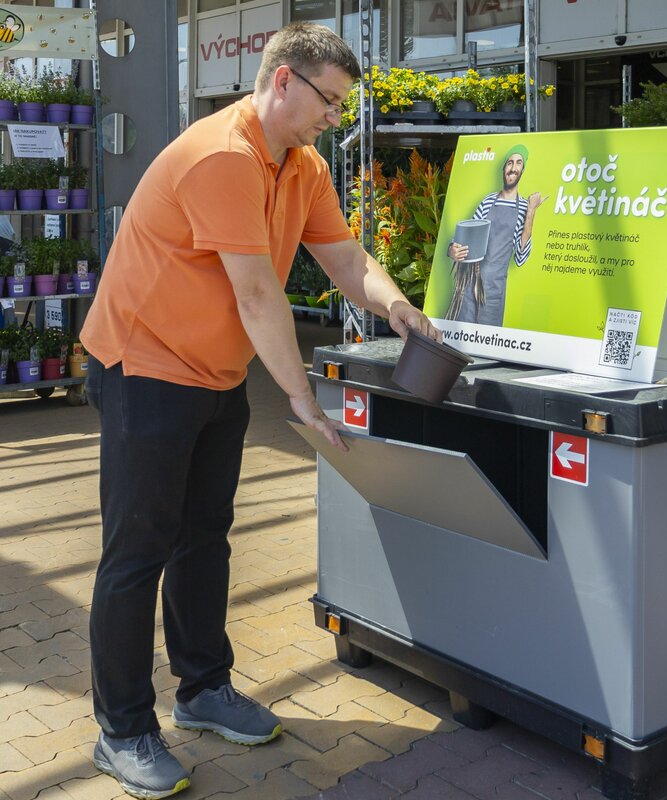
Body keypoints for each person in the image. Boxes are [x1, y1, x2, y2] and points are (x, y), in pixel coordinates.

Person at [80, 22, 440, 800]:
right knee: (138, 550)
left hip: (214, 374)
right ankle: (123, 729)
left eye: (341, 106)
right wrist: (301, 402)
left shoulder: (303, 166)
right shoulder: (224, 156)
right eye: (329, 101)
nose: (334, 118)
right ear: (283, 82)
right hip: (144, 366)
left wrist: (397, 306)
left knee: (204, 536)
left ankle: (204, 689)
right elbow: (256, 294)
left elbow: (344, 256)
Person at [445, 145, 546, 326]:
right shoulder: (488, 201)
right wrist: (452, 249)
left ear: (522, 170)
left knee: (487, 338)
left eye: (518, 163)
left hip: (493, 289)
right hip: (469, 284)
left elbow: (521, 257)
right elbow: (468, 235)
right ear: (504, 168)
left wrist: (531, 210)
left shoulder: (525, 207)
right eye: (510, 163)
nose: (513, 167)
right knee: (461, 334)